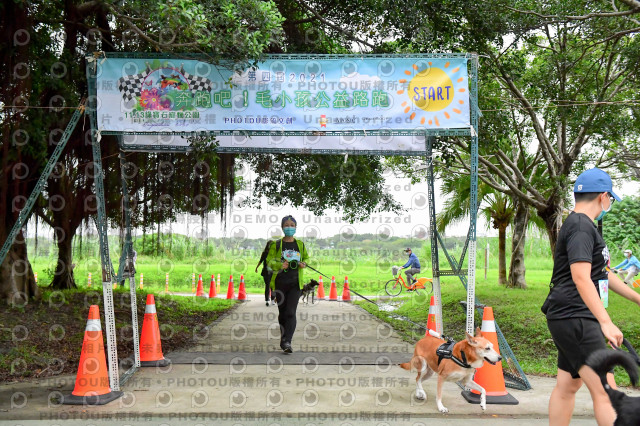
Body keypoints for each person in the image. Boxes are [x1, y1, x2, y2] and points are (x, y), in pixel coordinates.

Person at [541, 168, 640, 426]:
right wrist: (606, 322)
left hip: (569, 316)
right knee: (607, 392)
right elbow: (581, 277)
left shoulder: (582, 226)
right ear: (603, 196)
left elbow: (602, 273)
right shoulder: (581, 227)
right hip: (577, 316)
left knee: (568, 385)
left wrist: (637, 299)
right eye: (611, 199)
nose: (610, 204)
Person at [266, 215, 309, 353]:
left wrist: (304, 263)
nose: (289, 227)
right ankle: (284, 339)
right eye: (286, 225)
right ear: (282, 227)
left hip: (295, 284)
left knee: (291, 312)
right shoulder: (276, 244)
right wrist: (280, 265)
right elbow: (269, 262)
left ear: (296, 227)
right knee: (283, 313)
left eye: (292, 225)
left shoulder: (300, 244)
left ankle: (287, 341)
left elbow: (307, 258)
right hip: (280, 283)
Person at [255, 240, 276, 306]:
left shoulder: (275, 253)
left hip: (273, 271)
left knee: (272, 286)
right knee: (267, 285)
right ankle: (267, 300)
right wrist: (257, 267)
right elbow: (261, 261)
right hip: (266, 271)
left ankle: (272, 300)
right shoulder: (264, 253)